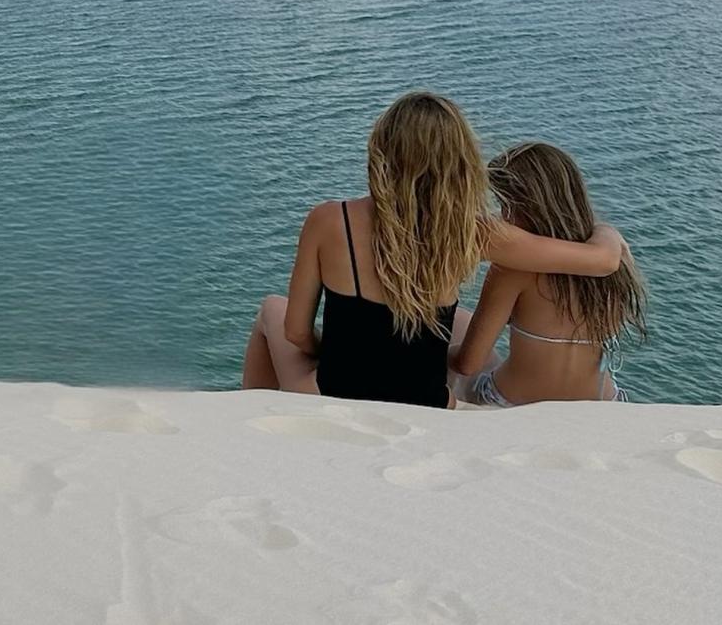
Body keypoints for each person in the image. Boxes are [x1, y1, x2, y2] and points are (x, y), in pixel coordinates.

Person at [241, 93, 624, 409]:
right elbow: (603, 261)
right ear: (458, 163)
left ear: (381, 152)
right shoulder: (472, 231)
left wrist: (331, 351)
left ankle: (247, 422)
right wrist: (604, 229)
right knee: (457, 319)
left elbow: (296, 332)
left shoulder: (329, 220)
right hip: (430, 402)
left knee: (271, 311)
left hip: (335, 392)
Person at [450, 141, 647, 406]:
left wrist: (433, 353)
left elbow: (468, 363)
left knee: (455, 323)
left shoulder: (514, 271)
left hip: (514, 404)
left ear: (525, 206)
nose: (502, 217)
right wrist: (606, 230)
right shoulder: (613, 263)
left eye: (505, 206)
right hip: (605, 403)